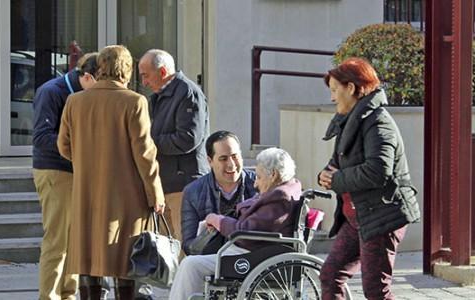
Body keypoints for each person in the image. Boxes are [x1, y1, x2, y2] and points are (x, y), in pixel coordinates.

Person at [57, 45, 165, 300]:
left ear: (100, 67)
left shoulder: (75, 101)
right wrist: (156, 194)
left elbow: (63, 146)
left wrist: (87, 161)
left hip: (87, 193)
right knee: (126, 259)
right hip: (127, 195)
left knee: (88, 258)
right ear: (126, 69)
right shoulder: (134, 101)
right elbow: (145, 155)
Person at [317, 57, 420, 300]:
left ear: (351, 88)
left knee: (376, 291)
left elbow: (377, 170)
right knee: (330, 275)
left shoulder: (378, 121)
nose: (331, 97)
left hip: (381, 217)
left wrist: (337, 179)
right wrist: (325, 174)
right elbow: (340, 163)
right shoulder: (350, 120)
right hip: (358, 218)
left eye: (334, 90)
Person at [170, 147, 302, 299]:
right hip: (257, 249)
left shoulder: (280, 196)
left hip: (253, 254)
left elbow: (246, 232)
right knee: (196, 260)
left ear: (273, 175)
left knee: (190, 265)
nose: (255, 184)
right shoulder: (289, 187)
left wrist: (218, 220)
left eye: (258, 177)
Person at [32, 52, 98, 300]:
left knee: (74, 241)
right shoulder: (52, 92)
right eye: (99, 83)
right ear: (87, 77)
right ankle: (49, 296)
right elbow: (41, 138)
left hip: (76, 170)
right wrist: (78, 146)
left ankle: (68, 293)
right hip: (54, 171)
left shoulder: (83, 94)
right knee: (57, 240)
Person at [138, 49, 209, 241]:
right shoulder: (159, 96)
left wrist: (149, 144)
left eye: (146, 76)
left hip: (183, 184)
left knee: (184, 245)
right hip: (165, 184)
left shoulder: (187, 92)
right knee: (165, 248)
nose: (143, 82)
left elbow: (188, 139)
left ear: (162, 72)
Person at [181, 130, 257, 255]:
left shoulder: (259, 184)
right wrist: (210, 232)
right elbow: (189, 247)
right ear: (210, 161)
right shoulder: (193, 192)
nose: (231, 165)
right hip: (213, 258)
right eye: (223, 159)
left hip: (252, 256)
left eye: (235, 156)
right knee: (189, 265)